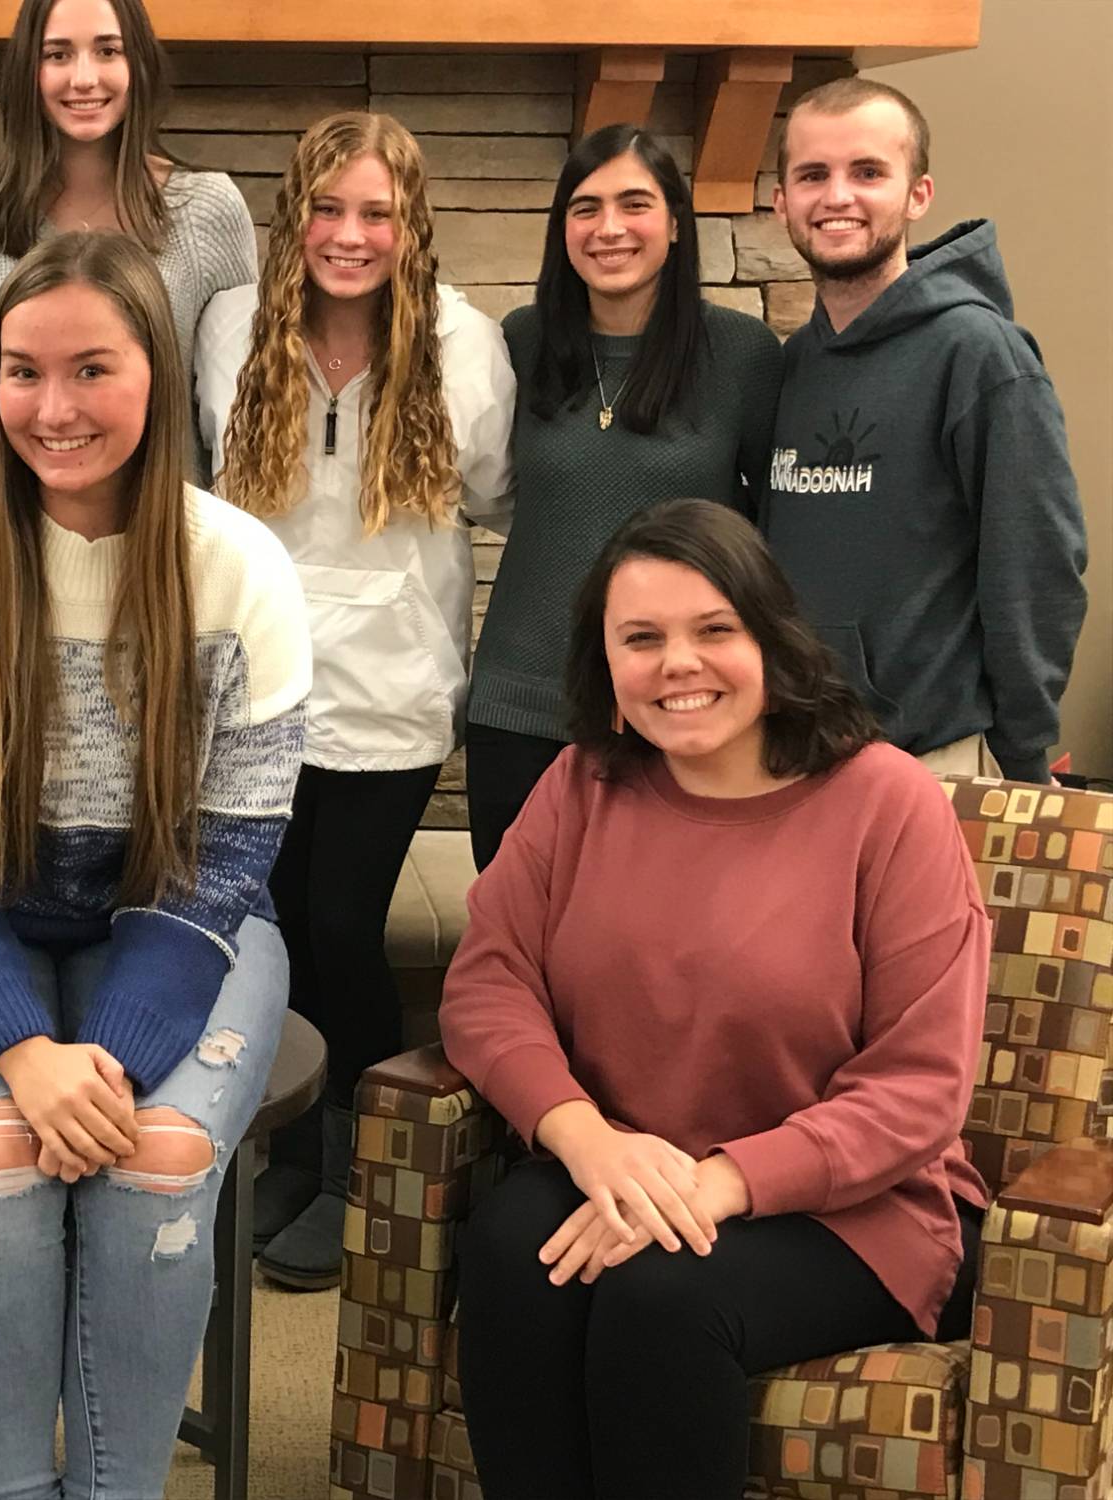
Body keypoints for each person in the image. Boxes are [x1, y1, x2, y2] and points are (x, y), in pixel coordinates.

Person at [0, 233, 309, 1497]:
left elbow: (230, 845)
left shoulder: (238, 566)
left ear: (156, 373)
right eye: (22, 372)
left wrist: (119, 1058)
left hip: (178, 912)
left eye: (92, 368)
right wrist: (23, 1053)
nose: (53, 407)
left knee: (154, 1161)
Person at [442, 498, 987, 1499]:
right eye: (640, 639)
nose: (677, 664)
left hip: (851, 1206)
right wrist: (583, 1138)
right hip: (625, 1159)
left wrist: (718, 1185)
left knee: (663, 1299)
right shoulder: (580, 785)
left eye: (712, 630)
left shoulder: (888, 803)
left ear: (773, 640)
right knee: (516, 1253)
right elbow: (488, 980)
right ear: (605, 666)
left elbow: (919, 1088)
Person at [195, 111, 514, 1289]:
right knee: (273, 925)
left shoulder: (463, 345)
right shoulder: (232, 325)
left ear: (408, 224)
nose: (348, 234)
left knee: (341, 924)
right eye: (326, 208)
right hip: (260, 686)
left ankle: (354, 1170)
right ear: (294, 216)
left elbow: (496, 494)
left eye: (374, 212)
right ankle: (292, 1151)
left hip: (391, 690)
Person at [464, 124, 783, 870]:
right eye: (586, 208)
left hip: (678, 703)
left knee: (656, 926)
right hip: (521, 699)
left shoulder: (741, 355)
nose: (609, 228)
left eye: (634, 204)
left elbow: (776, 533)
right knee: (511, 920)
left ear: (674, 223)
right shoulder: (521, 342)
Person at [764, 77, 1087, 783]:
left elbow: (1037, 568)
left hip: (932, 763)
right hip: (796, 754)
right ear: (782, 200)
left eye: (868, 172)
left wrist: (1022, 751)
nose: (837, 196)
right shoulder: (793, 364)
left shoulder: (980, 355)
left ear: (918, 194)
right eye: (813, 175)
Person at [0, 0, 256, 471]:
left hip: (168, 504)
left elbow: (241, 398)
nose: (84, 78)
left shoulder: (208, 208)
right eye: (58, 55)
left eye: (108, 51)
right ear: (28, 69)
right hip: (11, 505)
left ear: (138, 63)